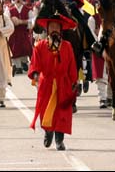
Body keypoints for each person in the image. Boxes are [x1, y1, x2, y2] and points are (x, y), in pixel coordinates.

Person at [28, 13, 78, 151]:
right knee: (46, 110)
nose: (54, 29)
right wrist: (36, 75)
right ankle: (48, 132)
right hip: (47, 83)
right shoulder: (40, 46)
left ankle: (59, 140)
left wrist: (74, 81)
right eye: (52, 27)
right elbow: (35, 65)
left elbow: (72, 65)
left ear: (61, 29)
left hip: (63, 83)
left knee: (63, 113)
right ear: (47, 29)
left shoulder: (67, 46)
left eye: (57, 26)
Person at [9, 0, 34, 75]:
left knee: (26, 48)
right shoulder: (9, 10)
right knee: (14, 49)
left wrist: (22, 21)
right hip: (14, 33)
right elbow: (6, 20)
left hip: (23, 32)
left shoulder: (28, 10)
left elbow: (32, 20)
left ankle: (24, 62)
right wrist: (12, 21)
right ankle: (18, 66)